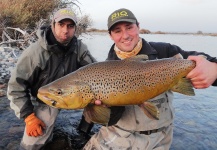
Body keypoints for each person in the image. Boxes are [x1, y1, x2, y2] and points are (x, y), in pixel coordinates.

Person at [83, 8, 217, 150]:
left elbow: (201, 61)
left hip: (160, 139)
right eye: (117, 31)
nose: (125, 35)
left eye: (129, 28)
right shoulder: (104, 70)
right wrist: (106, 108)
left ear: (138, 27)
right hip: (120, 136)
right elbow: (113, 120)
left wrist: (214, 69)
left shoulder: (165, 52)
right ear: (110, 35)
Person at [7, 8, 97, 150]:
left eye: (70, 26)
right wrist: (29, 118)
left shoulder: (79, 48)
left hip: (70, 93)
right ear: (52, 24)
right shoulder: (35, 53)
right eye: (61, 24)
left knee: (98, 94)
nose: (65, 30)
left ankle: (83, 131)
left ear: (75, 28)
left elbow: (95, 73)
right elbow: (15, 88)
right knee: (31, 146)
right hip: (46, 99)